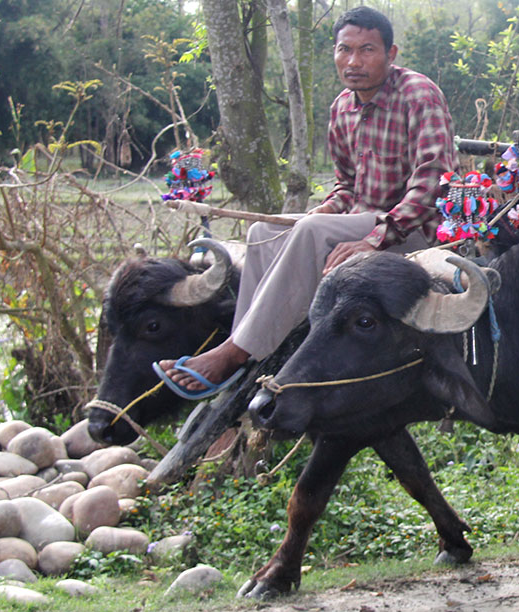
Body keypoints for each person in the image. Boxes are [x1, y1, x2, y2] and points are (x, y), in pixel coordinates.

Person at [157, 6, 456, 398]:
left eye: (367, 50)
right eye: (344, 50)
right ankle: (246, 342)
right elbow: (347, 187)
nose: (353, 61)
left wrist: (375, 237)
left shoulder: (418, 93)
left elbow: (434, 182)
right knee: (265, 229)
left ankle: (235, 352)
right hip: (359, 221)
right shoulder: (342, 108)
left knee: (311, 230)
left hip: (413, 230)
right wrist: (325, 209)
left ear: (391, 54)